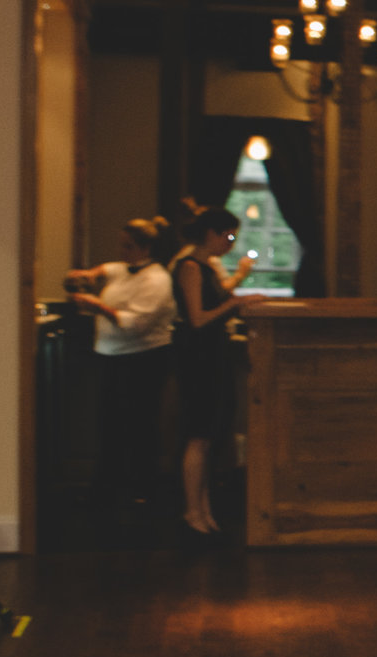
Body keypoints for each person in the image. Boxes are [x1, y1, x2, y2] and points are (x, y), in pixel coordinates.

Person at [67, 215, 178, 506]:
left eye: (128, 246)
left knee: (140, 423)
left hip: (144, 359)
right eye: (121, 244)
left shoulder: (157, 280)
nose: (121, 251)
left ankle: (144, 488)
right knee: (109, 422)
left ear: (145, 248)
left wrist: (97, 307)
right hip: (112, 356)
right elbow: (107, 269)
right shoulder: (121, 270)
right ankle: (106, 487)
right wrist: (86, 275)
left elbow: (136, 324)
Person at [170, 203, 249, 537]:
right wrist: (234, 303)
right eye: (228, 235)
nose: (230, 243)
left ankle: (204, 510)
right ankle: (192, 511)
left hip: (212, 355)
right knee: (198, 434)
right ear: (211, 234)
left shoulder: (206, 267)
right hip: (197, 357)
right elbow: (198, 318)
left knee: (209, 435)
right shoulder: (190, 267)